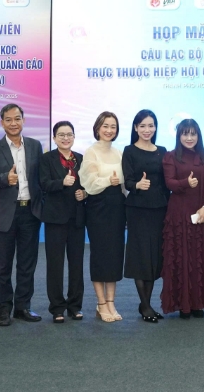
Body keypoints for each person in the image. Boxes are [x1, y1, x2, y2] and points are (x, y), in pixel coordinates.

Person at [0, 103, 44, 326]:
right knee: (3, 265)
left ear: (23, 120)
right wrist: (5, 179)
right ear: (2, 123)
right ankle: (3, 309)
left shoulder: (35, 145)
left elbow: (41, 178)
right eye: (8, 119)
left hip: (30, 211)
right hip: (4, 213)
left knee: (27, 263)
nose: (13, 123)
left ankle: (22, 307)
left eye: (17, 118)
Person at [161, 118, 204, 318]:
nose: (189, 138)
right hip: (178, 215)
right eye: (185, 134)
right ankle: (182, 304)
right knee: (180, 258)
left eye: (193, 134)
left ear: (198, 136)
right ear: (179, 136)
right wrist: (186, 182)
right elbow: (169, 183)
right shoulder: (170, 156)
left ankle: (197, 303)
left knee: (199, 257)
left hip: (200, 214)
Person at [78, 111, 127, 323]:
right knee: (100, 254)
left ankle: (111, 302)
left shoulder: (120, 153)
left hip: (117, 207)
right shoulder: (91, 152)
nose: (109, 130)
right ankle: (100, 303)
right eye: (105, 126)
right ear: (97, 128)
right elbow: (89, 182)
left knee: (115, 254)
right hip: (98, 207)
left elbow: (125, 185)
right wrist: (108, 181)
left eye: (113, 126)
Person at [122, 109, 169, 323]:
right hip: (138, 210)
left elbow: (167, 181)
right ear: (135, 128)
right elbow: (127, 181)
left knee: (154, 257)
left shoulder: (163, 151)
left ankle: (146, 305)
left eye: (151, 125)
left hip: (159, 209)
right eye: (142, 126)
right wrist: (137, 185)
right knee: (141, 256)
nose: (147, 130)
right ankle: (146, 305)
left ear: (156, 127)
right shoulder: (129, 151)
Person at [39, 120, 87, 324]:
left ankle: (75, 306)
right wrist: (61, 182)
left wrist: (84, 193)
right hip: (55, 219)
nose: (66, 138)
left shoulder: (81, 159)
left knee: (77, 264)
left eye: (69, 134)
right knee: (55, 264)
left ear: (74, 137)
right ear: (54, 138)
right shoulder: (46, 159)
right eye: (61, 135)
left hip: (77, 218)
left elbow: (88, 184)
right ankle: (57, 307)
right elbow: (43, 184)